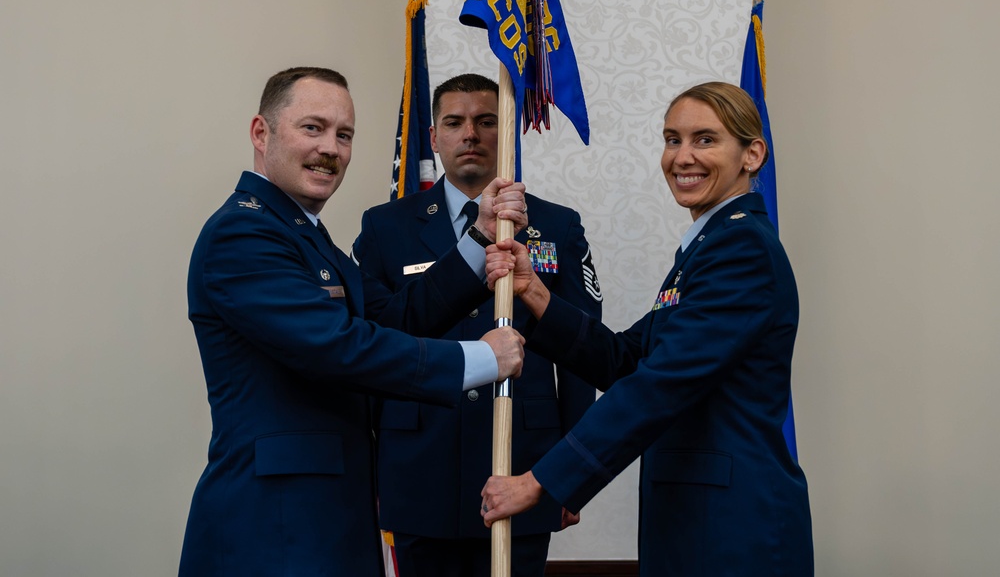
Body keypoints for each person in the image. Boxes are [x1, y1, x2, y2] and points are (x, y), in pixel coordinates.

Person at [179, 67, 530, 577]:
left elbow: (391, 321)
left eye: (344, 135)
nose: (331, 149)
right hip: (274, 522)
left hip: (330, 514)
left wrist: (476, 242)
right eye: (312, 128)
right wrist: (482, 358)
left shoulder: (306, 235)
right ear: (262, 133)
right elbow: (338, 346)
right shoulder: (244, 233)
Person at [480, 82, 813, 576]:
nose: (682, 157)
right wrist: (535, 293)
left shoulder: (741, 250)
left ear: (752, 154)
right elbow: (627, 359)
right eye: (672, 139)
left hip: (733, 527)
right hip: (693, 519)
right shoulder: (709, 246)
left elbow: (661, 383)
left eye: (705, 139)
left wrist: (541, 481)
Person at [351, 73, 602, 577]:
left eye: (486, 121)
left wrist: (572, 473)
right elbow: (369, 350)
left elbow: (581, 356)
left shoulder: (555, 226)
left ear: (505, 131)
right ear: (434, 135)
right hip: (419, 464)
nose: (471, 134)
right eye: (455, 122)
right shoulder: (385, 226)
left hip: (522, 463)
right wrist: (372, 471)